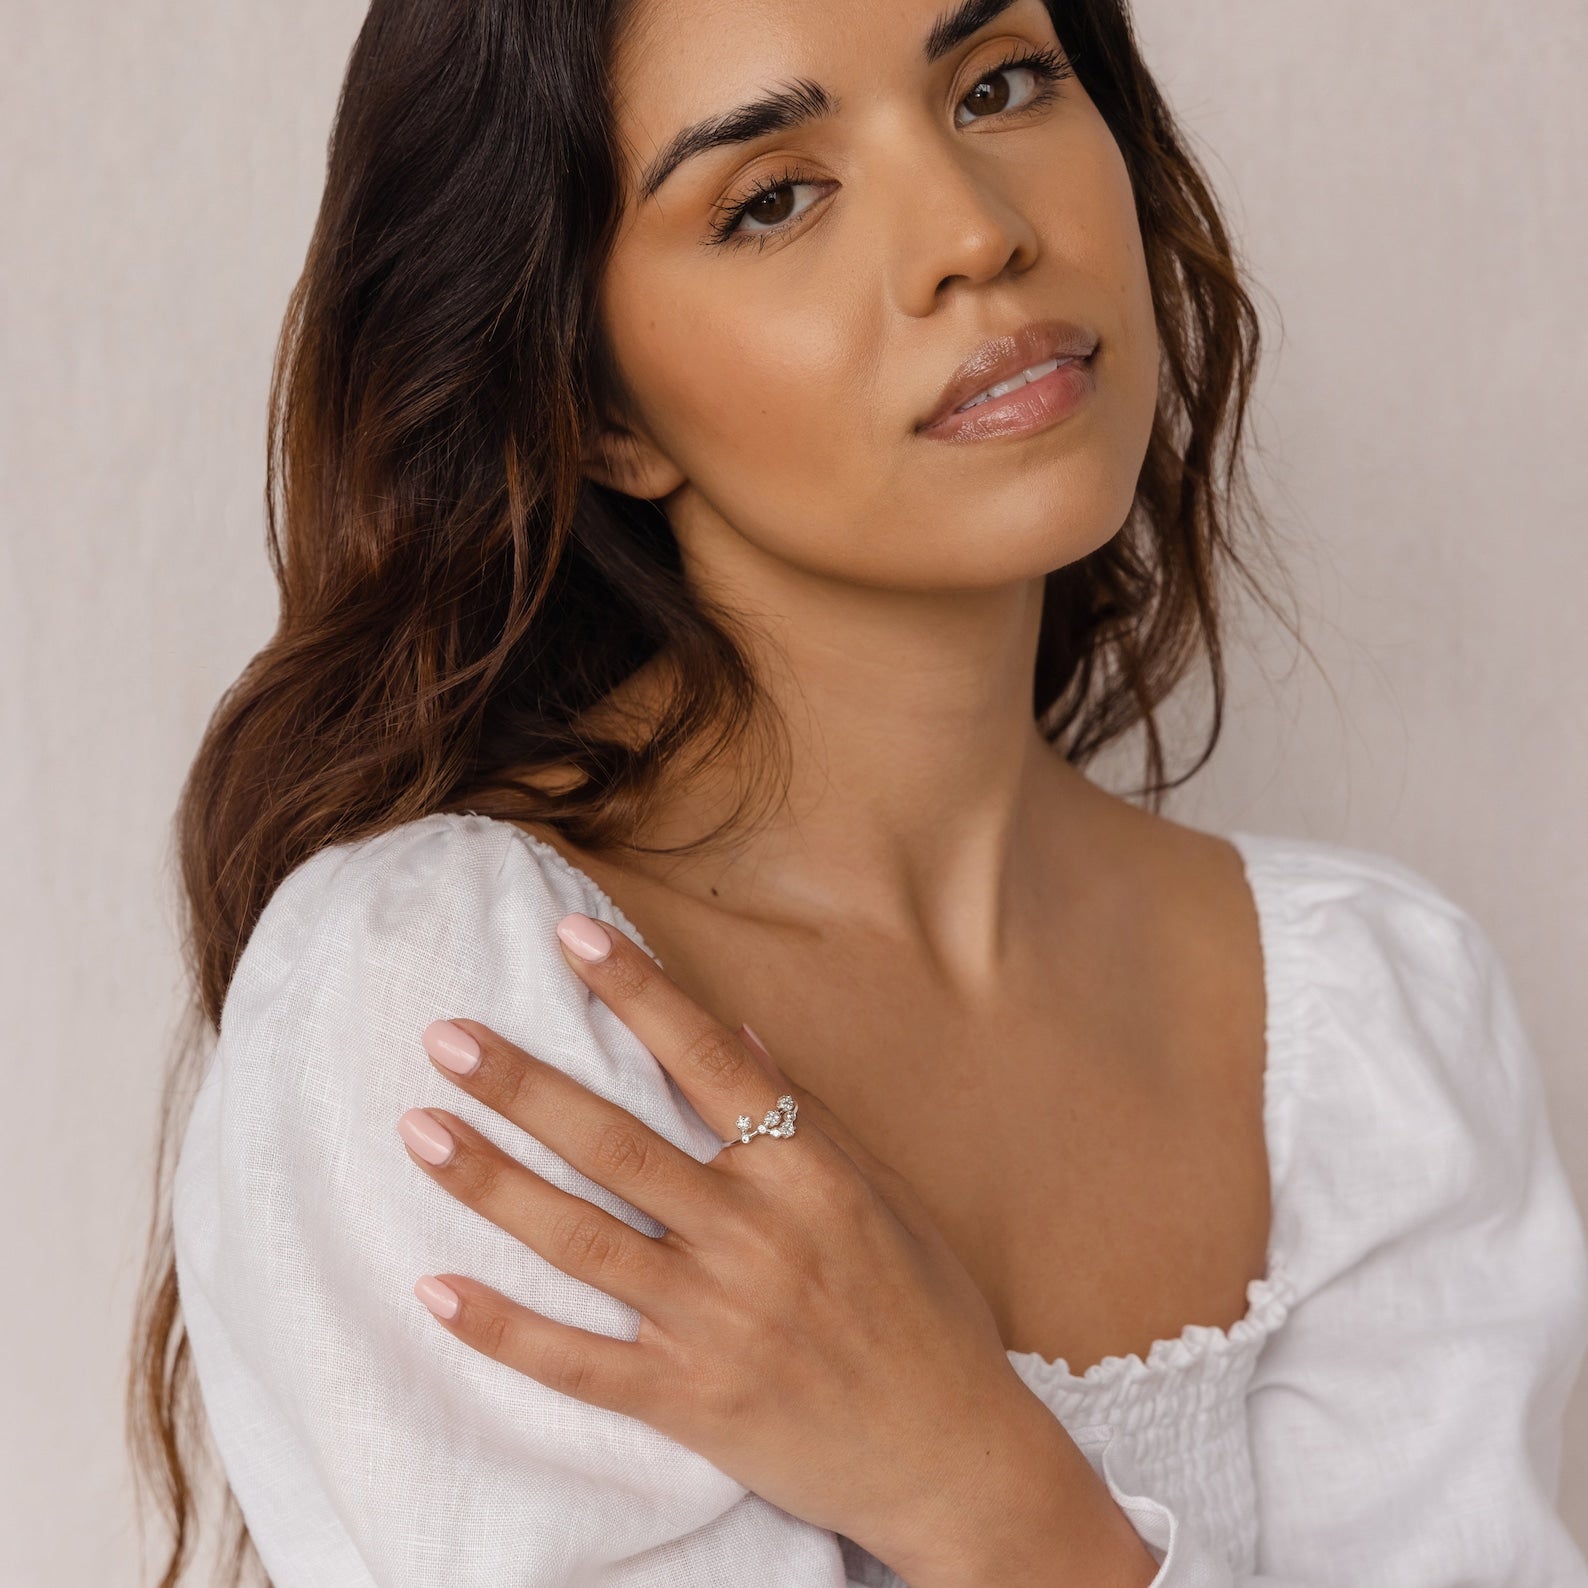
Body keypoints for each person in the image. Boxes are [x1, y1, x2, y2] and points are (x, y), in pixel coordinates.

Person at [128, 0, 1588, 1583]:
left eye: (1002, 83)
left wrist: (981, 1488)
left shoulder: (1375, 1025)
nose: (978, 231)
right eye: (771, 197)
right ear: (598, 408)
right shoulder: (461, 1010)